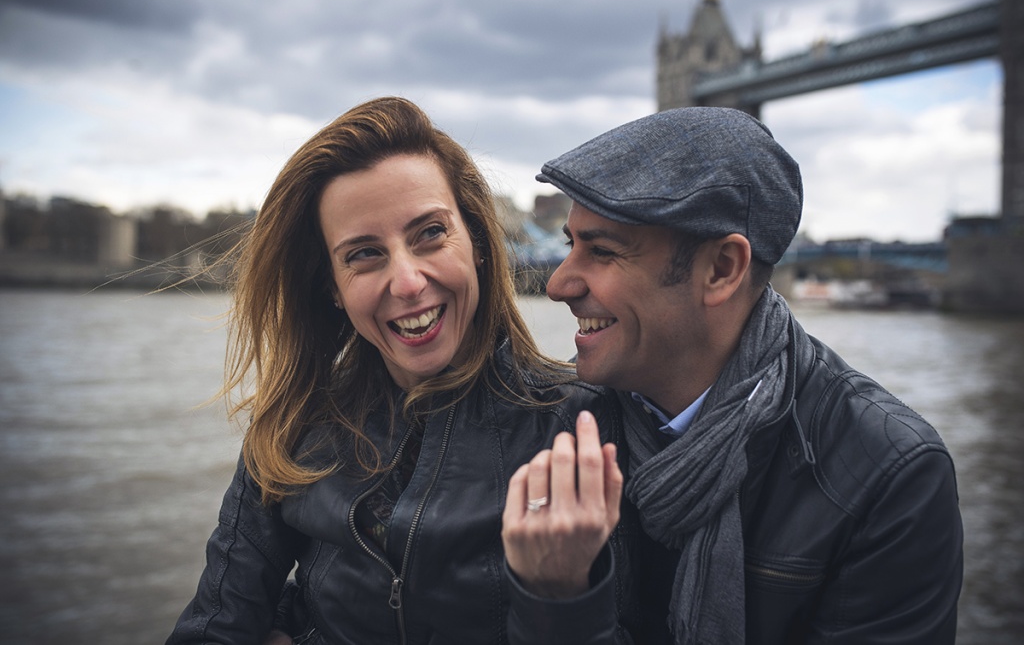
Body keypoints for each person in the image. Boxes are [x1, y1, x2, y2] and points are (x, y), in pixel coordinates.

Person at [166, 97, 639, 645]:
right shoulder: (293, 429)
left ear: (478, 243)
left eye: (430, 233)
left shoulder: (580, 424)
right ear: (332, 288)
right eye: (364, 254)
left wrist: (557, 599)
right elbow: (216, 625)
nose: (409, 282)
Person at [501, 106, 964, 644]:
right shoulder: (544, 419)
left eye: (602, 251)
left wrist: (561, 605)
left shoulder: (890, 477)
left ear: (722, 269)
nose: (557, 285)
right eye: (570, 245)